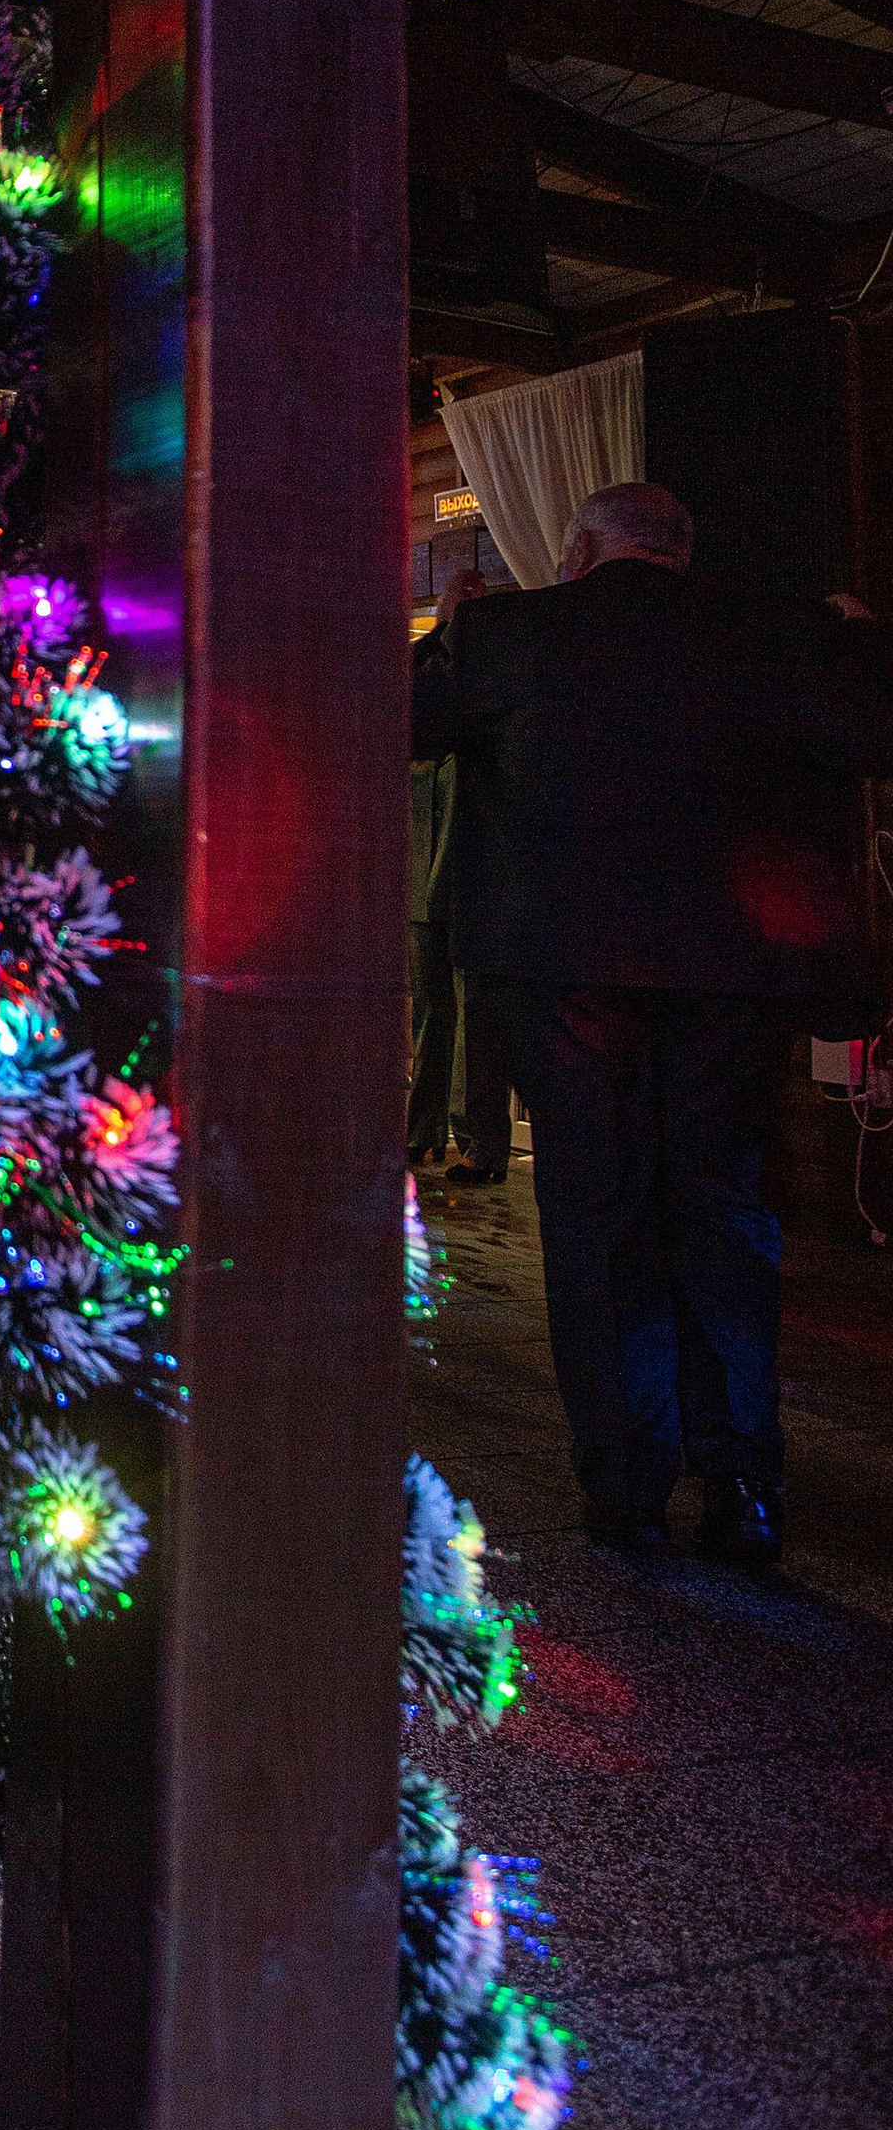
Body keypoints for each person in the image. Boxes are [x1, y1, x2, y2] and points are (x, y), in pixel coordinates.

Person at [412, 478, 893, 1565]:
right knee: (719, 1205)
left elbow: (390, 728)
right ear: (681, 549)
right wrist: (863, 641)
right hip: (728, 968)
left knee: (594, 1209)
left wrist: (447, 638)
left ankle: (626, 1488)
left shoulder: (511, 632)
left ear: (580, 548)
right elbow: (873, 737)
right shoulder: (769, 634)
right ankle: (740, 1485)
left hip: (562, 966)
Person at [409, 741, 511, 1183]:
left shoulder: (477, 752)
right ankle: (424, 1129)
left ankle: (481, 1144)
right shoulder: (417, 750)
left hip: (471, 892)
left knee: (476, 1016)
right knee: (433, 1008)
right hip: (419, 886)